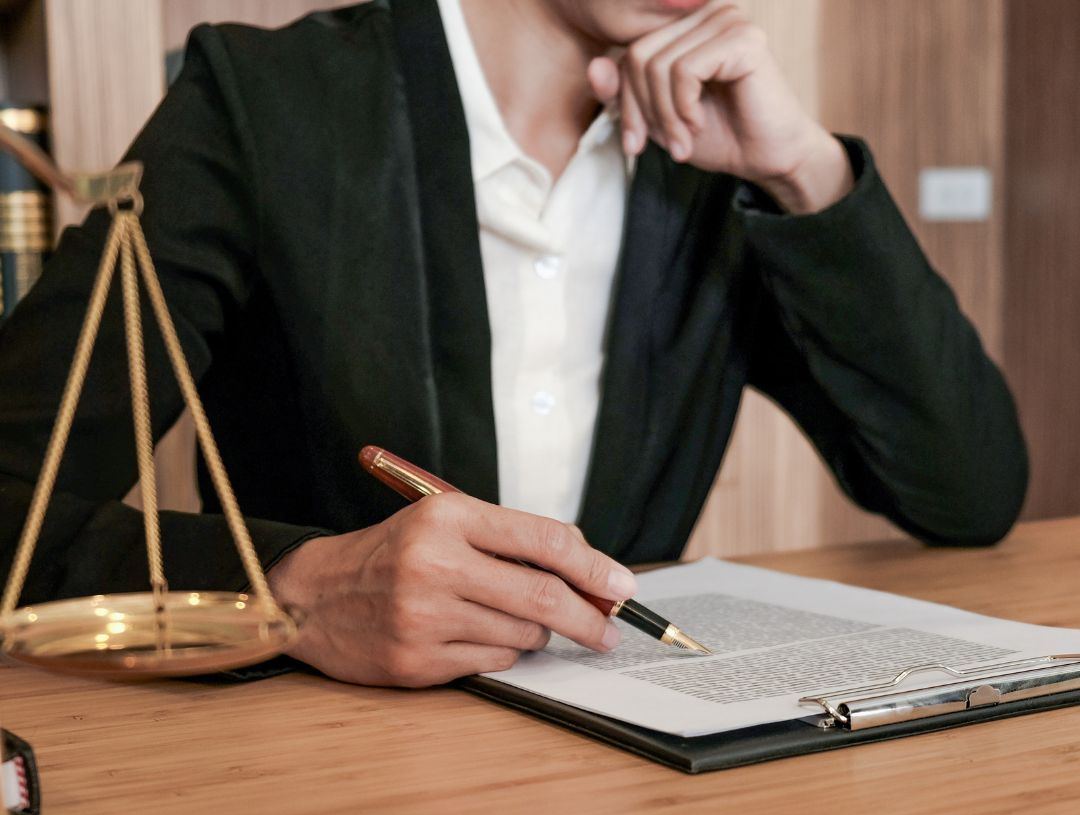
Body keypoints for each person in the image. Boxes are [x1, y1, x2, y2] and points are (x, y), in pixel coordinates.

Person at [0, 0, 1027, 687]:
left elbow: (969, 492)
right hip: (330, 799)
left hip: (648, 806)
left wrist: (807, 174)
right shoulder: (263, 101)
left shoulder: (721, 157)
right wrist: (294, 592)